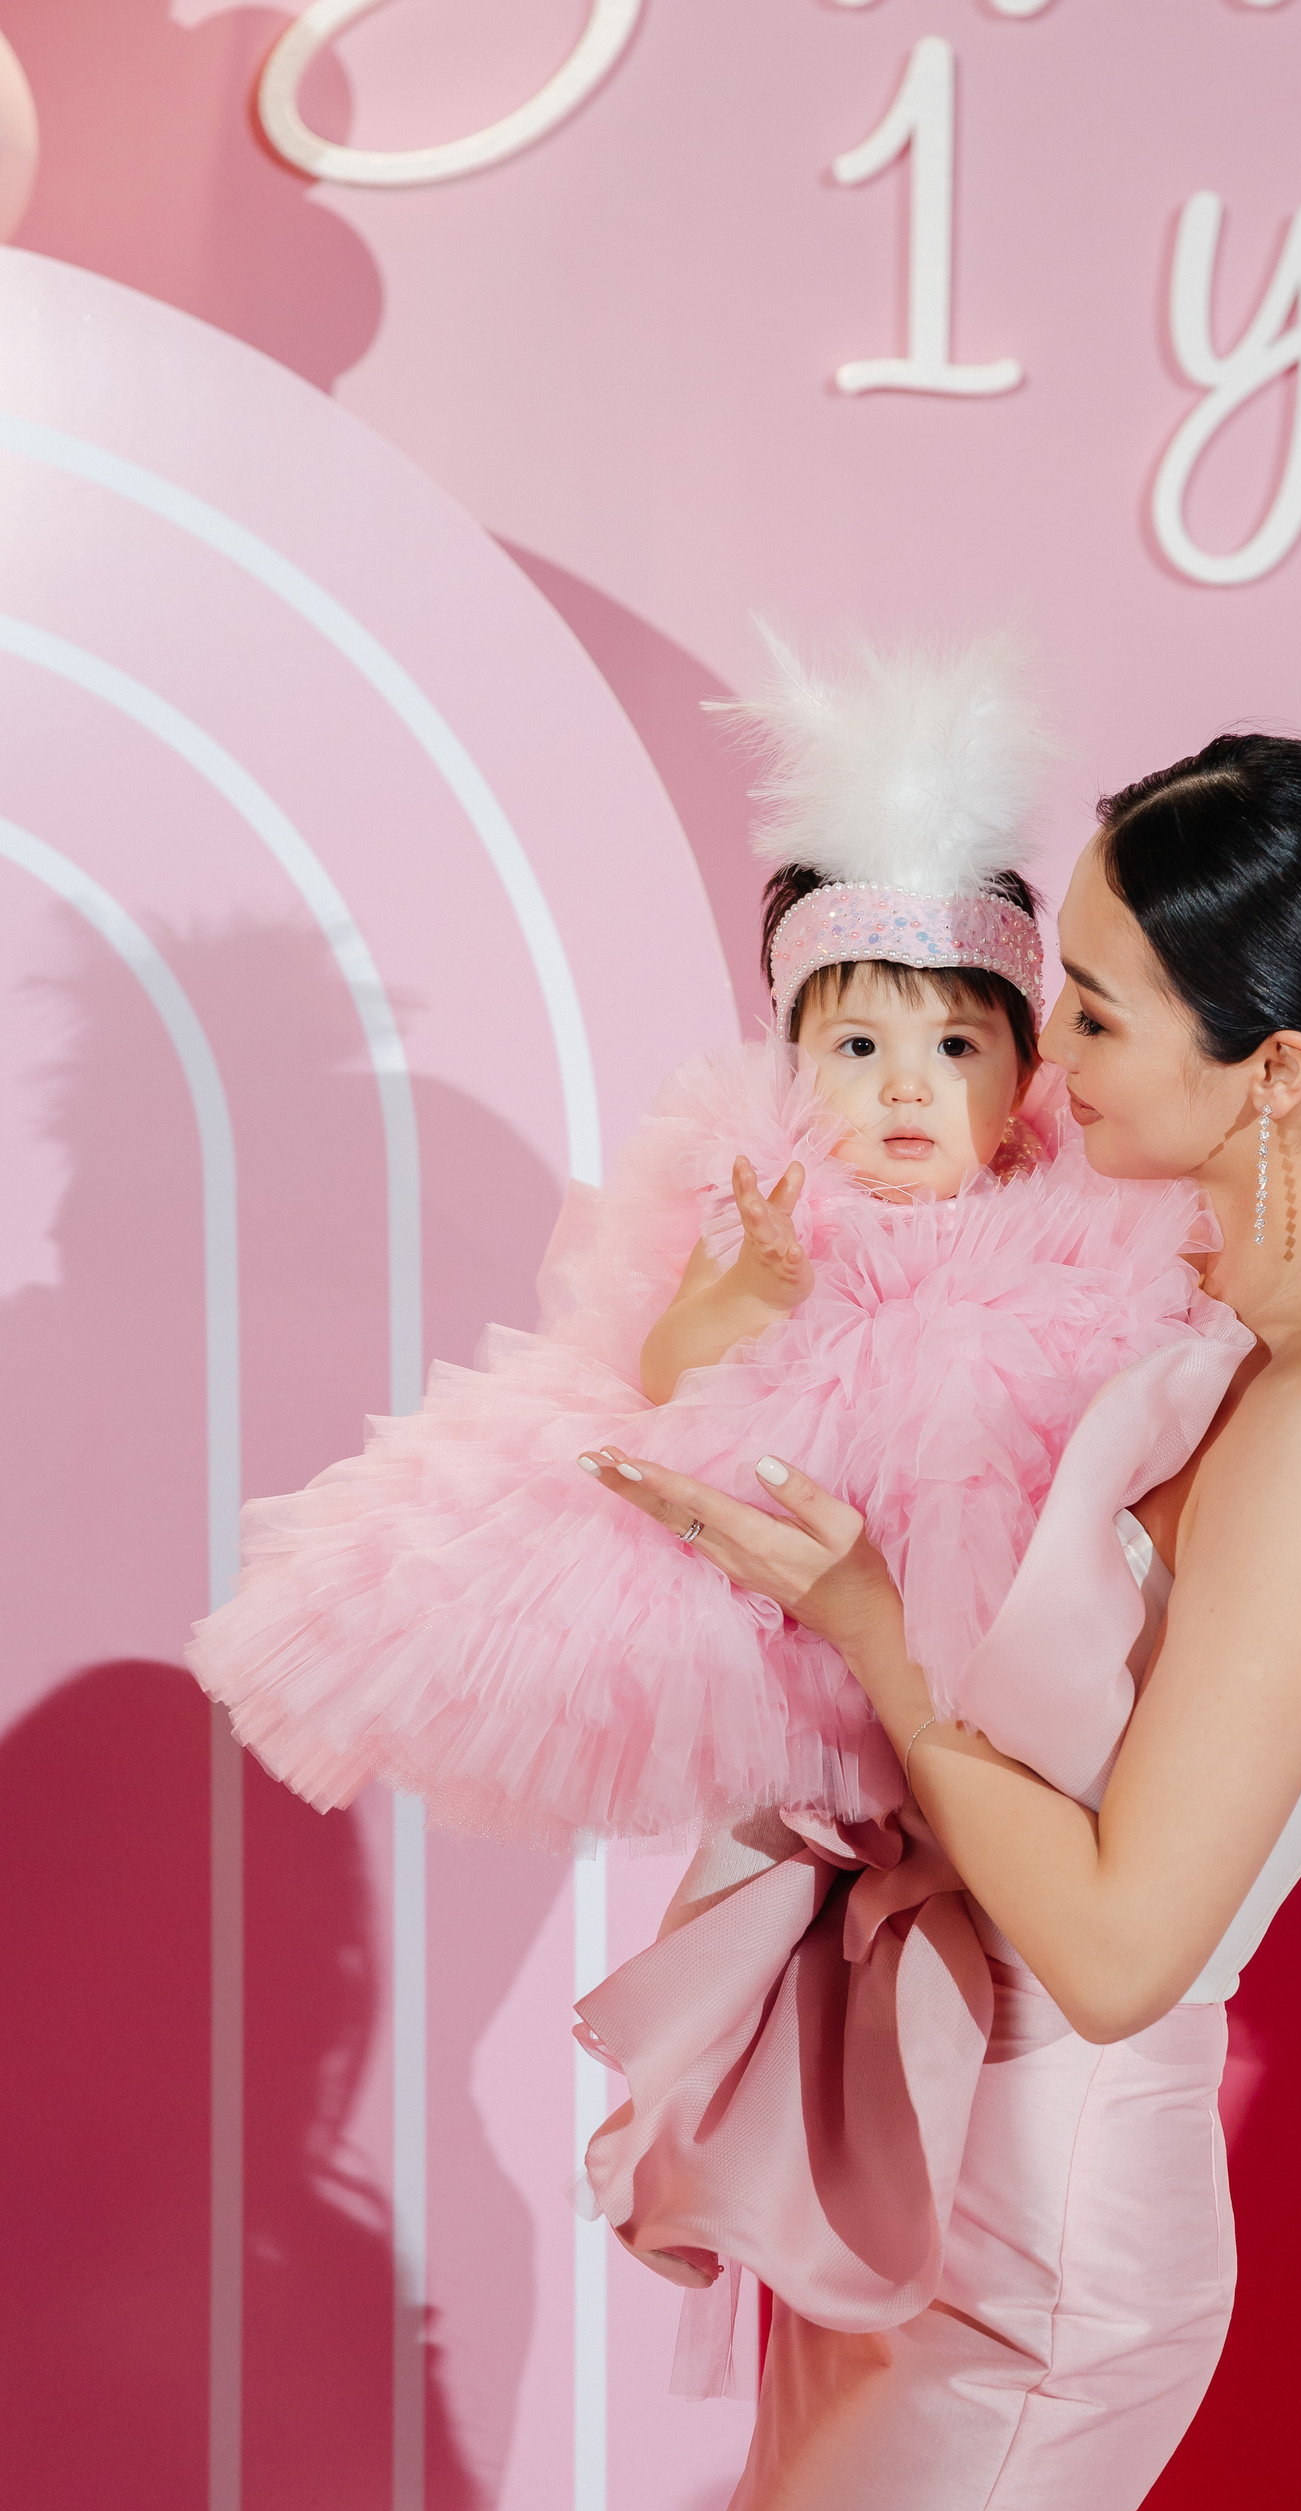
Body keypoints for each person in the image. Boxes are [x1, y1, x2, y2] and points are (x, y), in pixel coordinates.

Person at [573, 732, 1301, 2511]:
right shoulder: (1216, 1308)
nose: (1046, 1061)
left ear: (1274, 1070)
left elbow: (1114, 1946)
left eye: (1090, 1012)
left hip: (1040, 2239)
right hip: (928, 2176)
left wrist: (872, 1630)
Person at [185, 635, 1221, 1851]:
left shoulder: (1068, 1229)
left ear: (1021, 1075)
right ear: (795, 1064)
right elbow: (667, 1372)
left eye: (954, 1048)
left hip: (972, 1599)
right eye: (858, 1049)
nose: (906, 1088)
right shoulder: (776, 1206)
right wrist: (752, 1293)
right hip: (785, 1614)